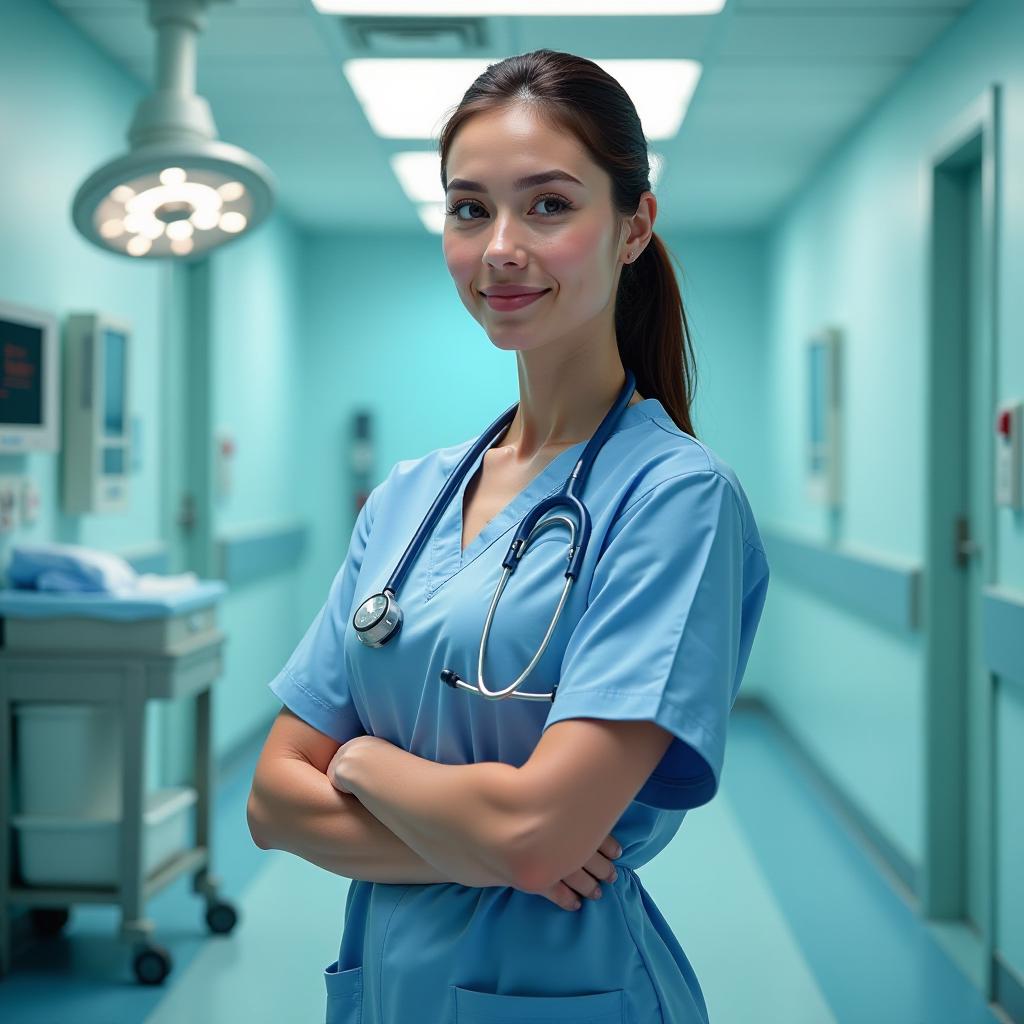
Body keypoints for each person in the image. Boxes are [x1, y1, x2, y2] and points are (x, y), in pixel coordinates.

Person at [248, 48, 770, 1024]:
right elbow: (273, 802)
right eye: (468, 207)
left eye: (547, 205)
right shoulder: (406, 499)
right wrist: (496, 840)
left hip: (563, 987)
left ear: (632, 227)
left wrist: (359, 764)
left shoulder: (674, 499)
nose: (498, 245)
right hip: (389, 982)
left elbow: (538, 831)